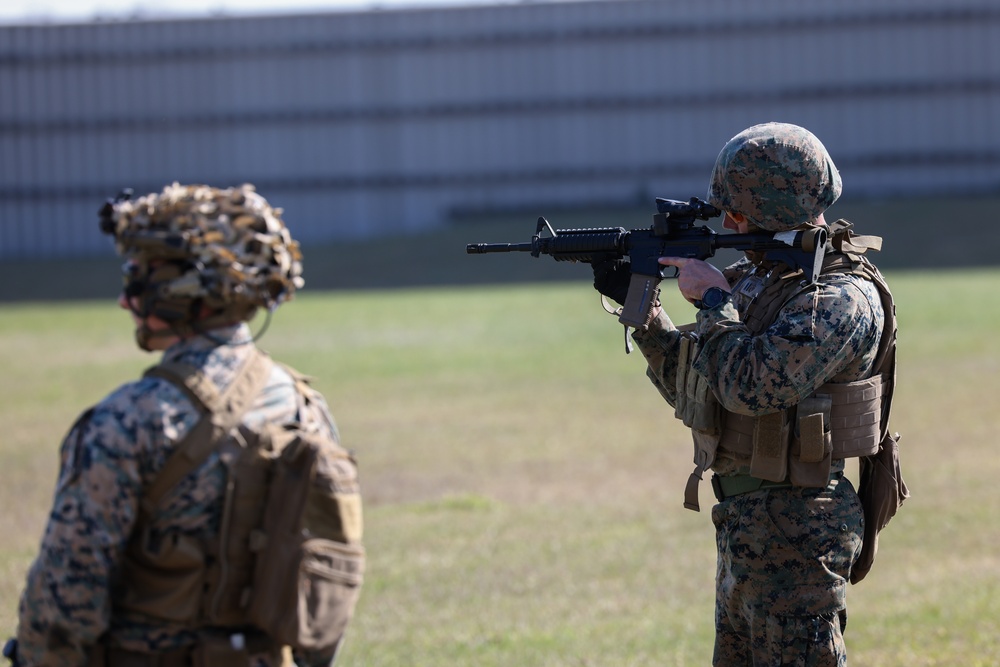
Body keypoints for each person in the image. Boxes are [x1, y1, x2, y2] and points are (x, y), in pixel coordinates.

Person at [8, 183, 364, 667]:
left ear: (185, 290)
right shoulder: (307, 409)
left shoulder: (127, 421)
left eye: (137, 276)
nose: (124, 299)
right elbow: (327, 588)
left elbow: (65, 602)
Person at [592, 123, 903, 665]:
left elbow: (751, 387)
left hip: (802, 530)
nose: (727, 222)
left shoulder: (840, 298)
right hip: (746, 523)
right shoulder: (761, 280)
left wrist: (714, 301)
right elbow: (702, 390)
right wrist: (646, 315)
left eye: (736, 211)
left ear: (777, 208)